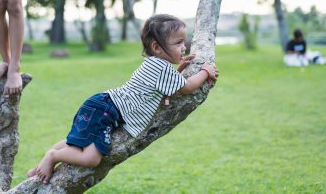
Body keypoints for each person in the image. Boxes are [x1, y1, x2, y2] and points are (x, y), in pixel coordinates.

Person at [27, 14, 219, 184]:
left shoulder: (156, 65)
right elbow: (186, 88)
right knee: (92, 158)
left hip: (102, 105)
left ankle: (40, 168)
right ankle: (52, 156)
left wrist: (180, 70)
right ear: (156, 47)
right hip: (106, 110)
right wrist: (204, 72)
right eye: (178, 43)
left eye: (183, 42)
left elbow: (167, 88)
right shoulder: (160, 67)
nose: (183, 47)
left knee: (80, 140)